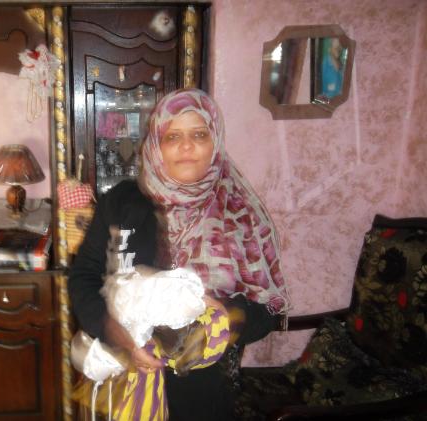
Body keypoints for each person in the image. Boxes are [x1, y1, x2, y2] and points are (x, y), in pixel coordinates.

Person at [68, 88, 289, 420]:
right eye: (173, 136)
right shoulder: (122, 202)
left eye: (198, 134)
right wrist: (121, 336)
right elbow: (83, 276)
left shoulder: (241, 214)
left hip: (205, 389)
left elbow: (270, 310)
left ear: (215, 142)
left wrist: (227, 317)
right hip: (123, 381)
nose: (186, 146)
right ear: (156, 144)